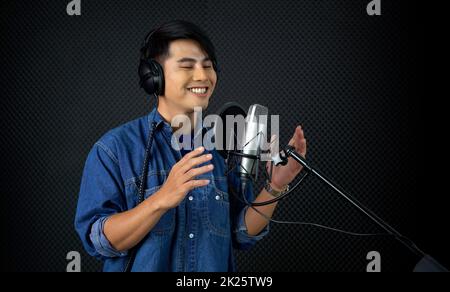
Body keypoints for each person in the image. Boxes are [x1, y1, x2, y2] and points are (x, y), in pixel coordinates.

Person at [75, 20, 307, 272]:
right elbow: (99, 241)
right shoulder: (115, 149)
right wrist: (161, 199)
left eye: (208, 66)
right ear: (154, 76)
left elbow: (241, 233)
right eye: (187, 66)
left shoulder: (223, 149)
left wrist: (275, 186)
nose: (203, 76)